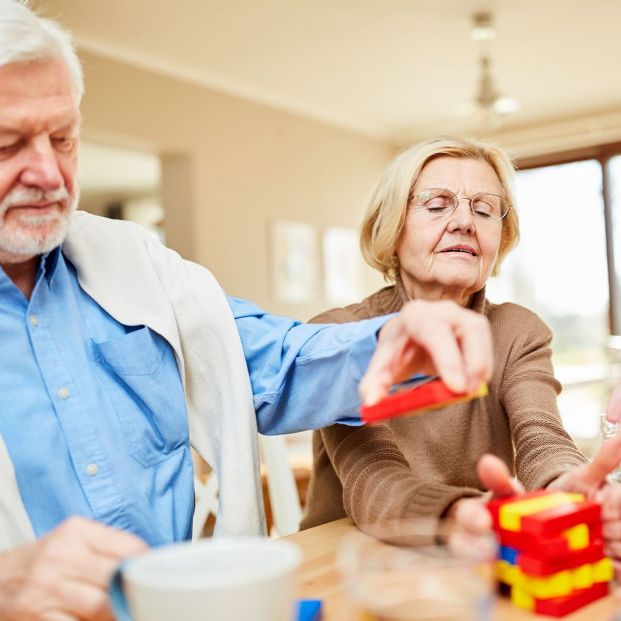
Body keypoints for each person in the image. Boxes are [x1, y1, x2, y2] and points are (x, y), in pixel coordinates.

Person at [0, 3, 496, 620]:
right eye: (8, 145)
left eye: (64, 138)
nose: (47, 172)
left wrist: (395, 338)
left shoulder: (137, 267)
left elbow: (270, 363)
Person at [300, 136, 621, 574]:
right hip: (353, 568)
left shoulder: (517, 330)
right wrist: (464, 514)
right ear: (391, 228)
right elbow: (371, 478)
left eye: (485, 209)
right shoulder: (336, 335)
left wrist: (567, 488)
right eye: (437, 204)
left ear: (499, 240)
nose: (465, 221)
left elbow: (540, 437)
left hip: (474, 560)